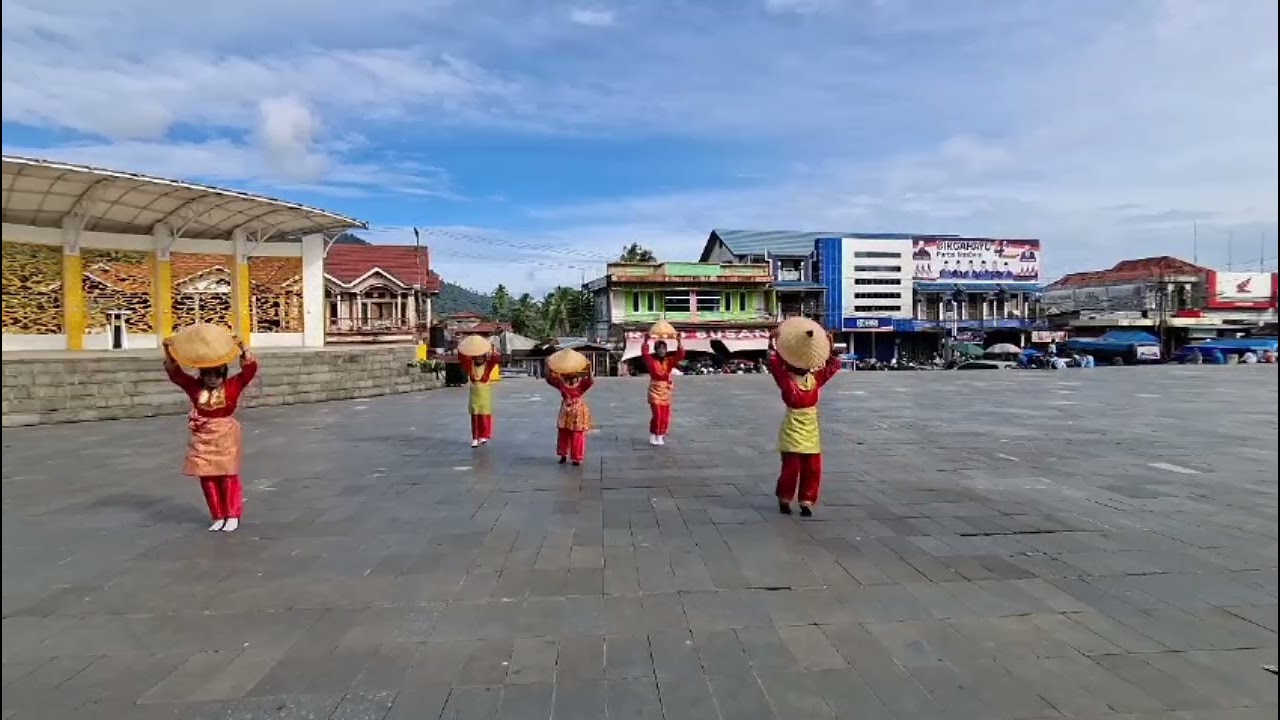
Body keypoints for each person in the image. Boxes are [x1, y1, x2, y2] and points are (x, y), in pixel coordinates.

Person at [163, 335, 257, 532]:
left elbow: (249, 370)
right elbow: (176, 374)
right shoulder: (195, 388)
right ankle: (218, 515)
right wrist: (168, 351)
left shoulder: (233, 385)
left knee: (227, 475)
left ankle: (232, 514)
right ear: (203, 376)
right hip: (203, 435)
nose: (212, 379)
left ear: (223, 374)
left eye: (216, 375)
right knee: (207, 476)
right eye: (208, 375)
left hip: (225, 433)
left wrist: (243, 347)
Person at [767, 328, 841, 517]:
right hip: (793, 425)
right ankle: (784, 499)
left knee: (813, 468)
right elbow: (774, 363)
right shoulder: (786, 379)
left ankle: (806, 502)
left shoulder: (815, 378)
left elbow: (833, 365)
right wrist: (772, 342)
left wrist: (829, 345)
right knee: (791, 468)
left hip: (810, 428)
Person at [641, 333, 685, 446]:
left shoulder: (669, 361)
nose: (662, 351)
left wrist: (679, 341)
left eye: (664, 349)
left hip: (665, 390)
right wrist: (646, 341)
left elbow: (680, 355)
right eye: (660, 349)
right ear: (656, 350)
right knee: (657, 415)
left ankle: (660, 435)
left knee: (665, 416)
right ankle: (653, 433)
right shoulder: (651, 361)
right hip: (655, 390)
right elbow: (644, 354)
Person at [546, 371, 595, 466]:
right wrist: (549, 368)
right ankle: (563, 454)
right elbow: (549, 380)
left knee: (577, 434)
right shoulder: (562, 383)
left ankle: (576, 458)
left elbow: (590, 381)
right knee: (563, 433)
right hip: (566, 411)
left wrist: (589, 370)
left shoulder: (580, 384)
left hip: (577, 412)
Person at [460, 349, 501, 448]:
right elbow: (463, 359)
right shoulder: (470, 365)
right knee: (475, 416)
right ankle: (475, 438)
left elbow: (496, 359)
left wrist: (493, 350)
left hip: (485, 394)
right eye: (477, 356)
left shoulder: (488, 365)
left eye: (481, 356)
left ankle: (483, 435)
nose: (479, 358)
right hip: (474, 395)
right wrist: (464, 348)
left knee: (484, 416)